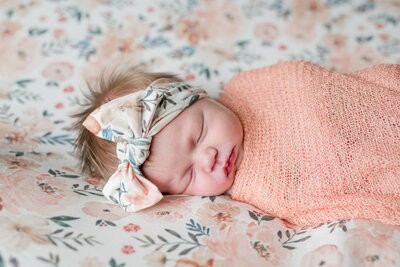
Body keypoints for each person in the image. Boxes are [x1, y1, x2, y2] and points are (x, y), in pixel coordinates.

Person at [73, 60, 400, 226]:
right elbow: (323, 202)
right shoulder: (261, 191)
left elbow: (313, 85)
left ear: (199, 97)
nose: (208, 159)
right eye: (188, 176)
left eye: (198, 133)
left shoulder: (252, 88)